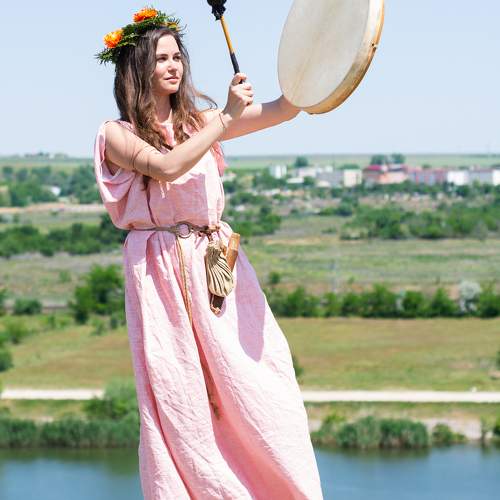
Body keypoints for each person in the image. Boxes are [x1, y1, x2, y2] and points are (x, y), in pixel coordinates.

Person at [93, 7, 323, 500]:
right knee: (183, 391)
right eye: (161, 58)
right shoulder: (117, 133)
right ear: (136, 67)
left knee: (257, 380)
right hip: (160, 271)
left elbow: (285, 109)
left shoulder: (199, 121)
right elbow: (166, 167)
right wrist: (226, 118)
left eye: (177, 56)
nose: (173, 66)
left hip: (217, 263)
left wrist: (319, 62)